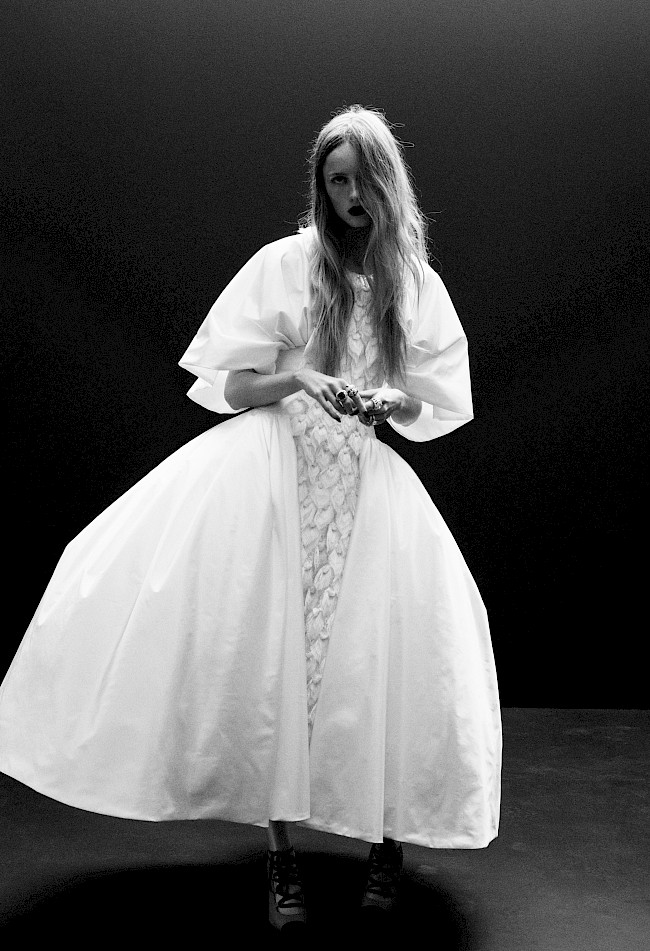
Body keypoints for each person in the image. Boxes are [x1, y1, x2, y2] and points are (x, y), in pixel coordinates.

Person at [0, 105, 501, 931]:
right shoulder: (285, 265)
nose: (349, 195)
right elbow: (229, 386)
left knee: (381, 657)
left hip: (362, 486)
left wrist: (388, 399)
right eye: (335, 180)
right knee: (269, 662)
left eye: (360, 179)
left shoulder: (413, 283)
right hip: (271, 477)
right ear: (321, 186)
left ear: (387, 182)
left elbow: (434, 401)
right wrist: (299, 377)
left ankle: (387, 840)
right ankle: (281, 852)